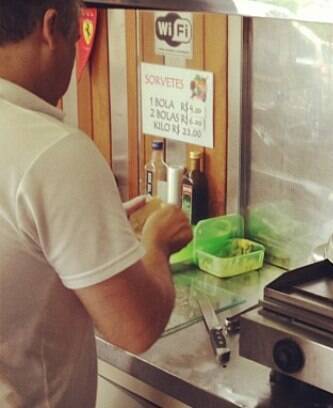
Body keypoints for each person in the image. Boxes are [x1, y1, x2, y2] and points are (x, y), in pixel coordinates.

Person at [0, 1, 193, 406]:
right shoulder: (53, 152)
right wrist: (156, 245)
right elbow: (135, 328)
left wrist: (80, 240)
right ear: (51, 28)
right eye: (75, 39)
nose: (72, 59)